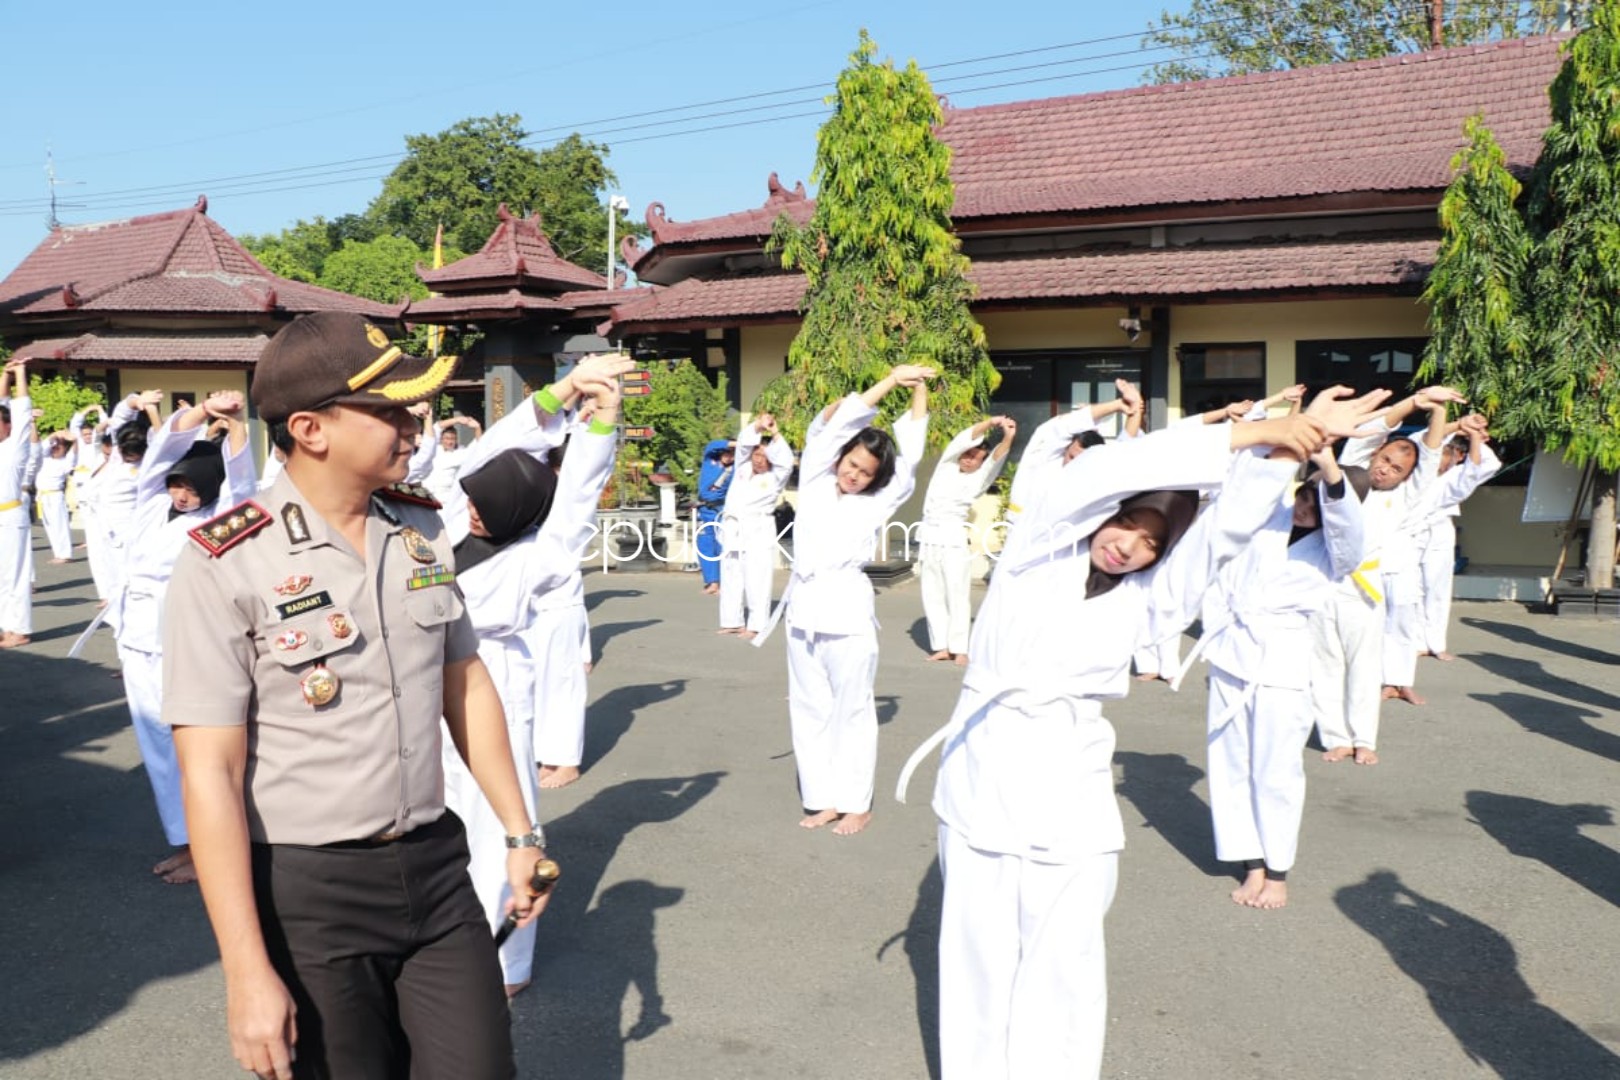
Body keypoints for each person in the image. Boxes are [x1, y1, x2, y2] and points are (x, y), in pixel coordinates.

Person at [911, 386, 1386, 1080]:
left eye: (1152, 542)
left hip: (1070, 784)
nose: (1129, 546)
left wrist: (1287, 447)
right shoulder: (1035, 552)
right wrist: (1261, 429)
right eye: (1129, 523)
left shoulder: (1147, 603)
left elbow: (1217, 540)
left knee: (1066, 953)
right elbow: (1097, 474)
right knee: (977, 953)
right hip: (982, 769)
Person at [167, 311, 545, 1080]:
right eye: (389, 411)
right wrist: (245, 974)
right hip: (312, 892)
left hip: (436, 870)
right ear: (311, 428)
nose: (412, 426)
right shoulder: (225, 561)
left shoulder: (420, 531)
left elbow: (463, 682)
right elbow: (209, 773)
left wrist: (518, 831)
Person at [438, 353, 625, 996]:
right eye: (473, 503)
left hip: (496, 680)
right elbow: (493, 450)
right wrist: (563, 391)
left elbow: (575, 494)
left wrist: (601, 424)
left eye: (487, 507)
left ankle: (508, 961)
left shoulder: (539, 552)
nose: (475, 513)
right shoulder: (447, 520)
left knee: (501, 824)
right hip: (432, 681)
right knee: (441, 819)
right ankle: (445, 941)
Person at [755, 365, 933, 836]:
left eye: (864, 472)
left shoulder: (879, 501)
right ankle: (822, 799)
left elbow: (910, 455)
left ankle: (857, 803)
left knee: (852, 709)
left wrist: (918, 395)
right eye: (850, 464)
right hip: (802, 610)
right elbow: (836, 427)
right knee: (809, 706)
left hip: (849, 614)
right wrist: (891, 380)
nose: (853, 474)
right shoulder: (814, 479)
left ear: (876, 478)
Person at [1191, 448, 1369, 910]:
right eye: (1306, 495)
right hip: (1232, 652)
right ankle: (1250, 862)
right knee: (1229, 761)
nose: (1307, 506)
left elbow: (1347, 524)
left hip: (1281, 660)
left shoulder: (1339, 552)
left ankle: (1278, 871)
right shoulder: (1271, 520)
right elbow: (1247, 488)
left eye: (1320, 501)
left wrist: (1329, 465)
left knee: (1276, 770)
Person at [114, 391, 255, 885]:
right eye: (176, 484)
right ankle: (190, 841)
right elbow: (158, 455)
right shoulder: (151, 505)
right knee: (157, 748)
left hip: (184, 642)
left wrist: (236, 430)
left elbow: (243, 487)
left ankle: (216, 846)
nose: (180, 493)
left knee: (193, 748)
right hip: (136, 638)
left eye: (191, 488)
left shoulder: (219, 521)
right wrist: (197, 414)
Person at [1312, 387, 1462, 764]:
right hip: (1323, 583)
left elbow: (1428, 455)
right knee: (1325, 666)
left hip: (1364, 593)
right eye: (1385, 459)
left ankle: (1364, 740)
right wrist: (1412, 403)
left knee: (1363, 670)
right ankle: (1336, 738)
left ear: (1407, 478)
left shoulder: (1407, 497)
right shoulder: (1352, 475)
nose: (1385, 468)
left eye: (1397, 468)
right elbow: (1376, 430)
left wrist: (1439, 408)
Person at [917, 416, 1015, 664]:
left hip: (953, 536)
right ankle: (940, 645)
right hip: (929, 536)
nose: (969, 459)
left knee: (957, 592)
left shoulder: (978, 479)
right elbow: (965, 438)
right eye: (967, 454)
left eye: (975, 457)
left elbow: (995, 460)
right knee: (932, 593)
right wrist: (990, 422)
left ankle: (960, 648)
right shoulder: (946, 465)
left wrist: (1008, 437)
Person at [1416, 414, 1501, 662]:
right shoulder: (1416, 469)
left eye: (1446, 453)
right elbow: (1422, 440)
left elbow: (1483, 466)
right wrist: (1458, 428)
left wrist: (1475, 437)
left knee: (1437, 588)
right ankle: (1414, 641)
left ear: (1457, 456)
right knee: (1412, 589)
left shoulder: (1458, 475)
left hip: (1439, 529)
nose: (1439, 458)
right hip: (1410, 531)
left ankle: (1435, 642)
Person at [1003, 379, 1141, 529]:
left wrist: (1137, 407)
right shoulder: (1041, 462)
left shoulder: (1095, 475)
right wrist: (1118, 405)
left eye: (1080, 461)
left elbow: (1124, 448)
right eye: (1071, 457)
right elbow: (1058, 427)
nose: (1072, 464)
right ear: (1066, 448)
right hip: (1022, 533)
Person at [717, 413, 794, 640]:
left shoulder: (775, 476)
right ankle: (732, 621)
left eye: (764, 455)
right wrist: (758, 426)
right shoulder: (742, 468)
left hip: (758, 528)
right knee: (731, 573)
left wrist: (775, 433)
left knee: (756, 576)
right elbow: (743, 444)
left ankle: (757, 624)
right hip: (733, 527)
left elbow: (787, 461)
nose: (759, 459)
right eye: (756, 454)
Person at [0, 358, 37, 649]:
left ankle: (19, 628)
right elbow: (2, 402)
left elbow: (21, 411)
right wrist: (4, 376)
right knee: (2, 576)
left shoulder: (15, 446)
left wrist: (20, 375)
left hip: (11, 516)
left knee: (15, 575)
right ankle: (5, 626)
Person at [695, 437, 736, 594]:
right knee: (705, 545)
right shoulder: (710, 460)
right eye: (726, 452)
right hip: (704, 509)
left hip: (721, 510)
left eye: (732, 453)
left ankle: (725, 582)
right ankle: (712, 582)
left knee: (722, 546)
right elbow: (712, 446)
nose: (728, 456)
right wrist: (737, 443)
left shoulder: (735, 469)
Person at [34, 428, 79, 563]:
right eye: (54, 445)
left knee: (60, 525)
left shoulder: (66, 462)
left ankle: (65, 554)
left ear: (65, 448)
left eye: (59, 446)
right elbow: (41, 447)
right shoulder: (44, 458)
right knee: (49, 526)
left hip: (55, 496)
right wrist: (55, 435)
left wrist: (75, 440)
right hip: (42, 497)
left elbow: (74, 454)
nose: (56, 448)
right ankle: (58, 553)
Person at [422, 413, 481, 505]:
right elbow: (436, 427)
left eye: (452, 439)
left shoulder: (459, 453)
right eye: (447, 438)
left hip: (445, 499)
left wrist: (477, 428)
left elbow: (478, 446)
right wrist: (457, 420)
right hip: (425, 496)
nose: (449, 442)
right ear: (441, 439)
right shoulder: (434, 449)